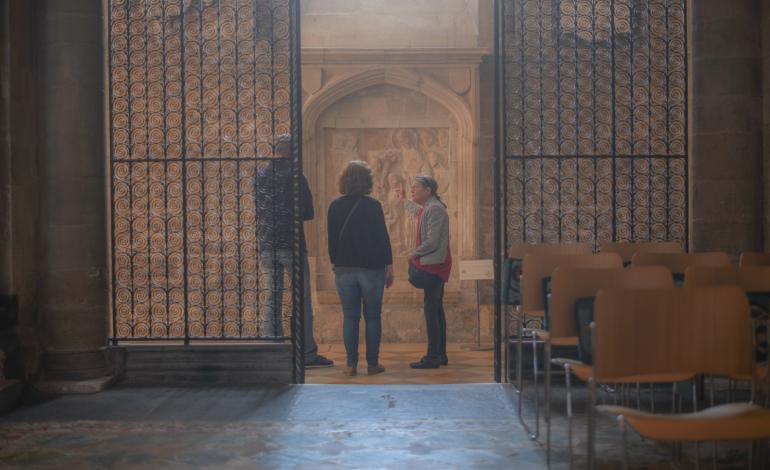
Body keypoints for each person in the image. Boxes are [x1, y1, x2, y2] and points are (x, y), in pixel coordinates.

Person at [255, 133, 333, 369]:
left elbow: (259, 207)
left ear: (275, 150)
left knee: (272, 296)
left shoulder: (260, 175)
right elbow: (308, 212)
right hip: (292, 243)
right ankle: (307, 353)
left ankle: (272, 349)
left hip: (268, 243)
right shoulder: (296, 176)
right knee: (302, 298)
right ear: (291, 152)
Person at [328, 161, 394, 377]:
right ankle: (373, 364)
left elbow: (331, 241)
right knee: (373, 316)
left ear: (343, 181)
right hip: (372, 268)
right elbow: (383, 238)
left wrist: (335, 263)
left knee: (350, 317)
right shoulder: (373, 205)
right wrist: (389, 265)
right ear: (367, 181)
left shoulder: (335, 206)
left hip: (344, 268)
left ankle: (350, 364)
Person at [396, 175, 451, 369]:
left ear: (428, 190)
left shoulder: (435, 209)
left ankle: (433, 357)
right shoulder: (430, 208)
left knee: (431, 310)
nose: (413, 191)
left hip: (434, 265)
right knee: (435, 309)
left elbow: (433, 241)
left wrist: (413, 254)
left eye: (416, 188)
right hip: (436, 264)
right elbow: (418, 213)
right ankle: (440, 354)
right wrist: (404, 200)